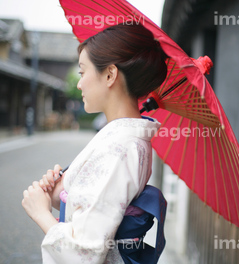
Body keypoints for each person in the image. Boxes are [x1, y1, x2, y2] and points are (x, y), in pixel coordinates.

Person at [21, 23, 168, 263]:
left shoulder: (118, 148)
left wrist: (41, 213)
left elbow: (84, 252)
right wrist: (61, 191)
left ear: (110, 74)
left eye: (82, 72)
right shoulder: (126, 139)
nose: (79, 84)